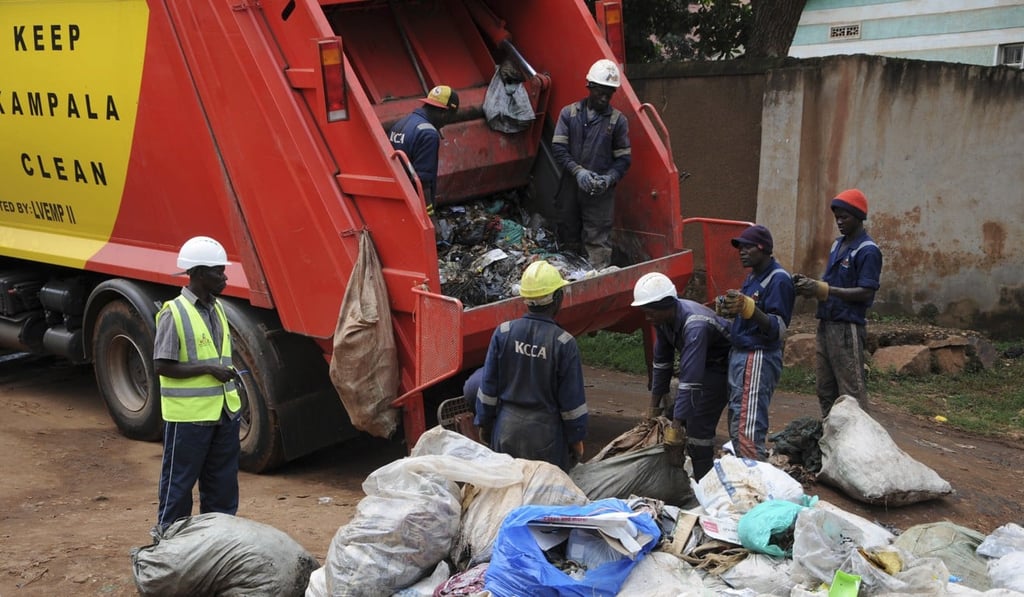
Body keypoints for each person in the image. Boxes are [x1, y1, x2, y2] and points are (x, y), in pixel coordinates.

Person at [154, 236, 242, 533]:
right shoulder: (173, 312)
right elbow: (162, 365)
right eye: (219, 271)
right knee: (178, 486)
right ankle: (170, 545)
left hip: (224, 413)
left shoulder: (217, 308)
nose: (225, 277)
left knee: (222, 487)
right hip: (189, 418)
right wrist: (208, 369)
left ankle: (217, 541)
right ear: (200, 273)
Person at [473, 260, 587, 472]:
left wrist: (484, 425)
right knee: (544, 499)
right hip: (546, 438)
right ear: (558, 298)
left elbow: (488, 389)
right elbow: (572, 405)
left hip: (505, 431)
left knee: (504, 495)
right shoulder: (563, 343)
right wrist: (576, 440)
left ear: (526, 300)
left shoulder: (504, 332)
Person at [631, 272, 732, 481]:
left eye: (650, 313)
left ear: (665, 306)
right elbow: (661, 365)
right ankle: (680, 479)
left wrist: (677, 427)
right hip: (702, 365)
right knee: (669, 416)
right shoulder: (663, 320)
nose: (647, 318)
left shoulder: (695, 325)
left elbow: (690, 381)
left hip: (722, 367)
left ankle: (704, 484)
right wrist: (653, 411)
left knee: (697, 427)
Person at [793, 188, 883, 416]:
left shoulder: (868, 251)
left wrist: (825, 289)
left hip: (847, 327)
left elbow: (866, 292)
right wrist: (810, 286)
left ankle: (859, 445)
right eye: (837, 218)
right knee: (825, 389)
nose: (840, 222)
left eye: (845, 217)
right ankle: (831, 439)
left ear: (859, 217)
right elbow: (830, 282)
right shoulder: (837, 245)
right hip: (826, 322)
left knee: (851, 393)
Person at [717, 225, 796, 460]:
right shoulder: (753, 277)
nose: (741, 252)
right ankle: (746, 476)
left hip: (758, 355)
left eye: (747, 247)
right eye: (739, 247)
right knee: (738, 419)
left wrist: (749, 308)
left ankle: (755, 483)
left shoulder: (779, 279)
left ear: (763, 248)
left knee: (748, 427)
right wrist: (731, 308)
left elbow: (778, 329)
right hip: (741, 352)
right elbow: (748, 313)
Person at [551, 59, 631, 269]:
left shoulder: (617, 121)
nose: (605, 98)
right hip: (570, 188)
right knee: (568, 238)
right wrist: (578, 172)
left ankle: (598, 283)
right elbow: (558, 149)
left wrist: (609, 179)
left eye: (609, 93)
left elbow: (623, 159)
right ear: (590, 87)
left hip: (600, 194)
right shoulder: (569, 114)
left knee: (597, 243)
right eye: (600, 92)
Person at [388, 85, 460, 214]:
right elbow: (423, 180)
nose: (448, 122)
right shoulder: (428, 134)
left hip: (395, 198)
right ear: (445, 113)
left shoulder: (401, 123)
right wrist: (429, 215)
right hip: (413, 205)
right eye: (451, 117)